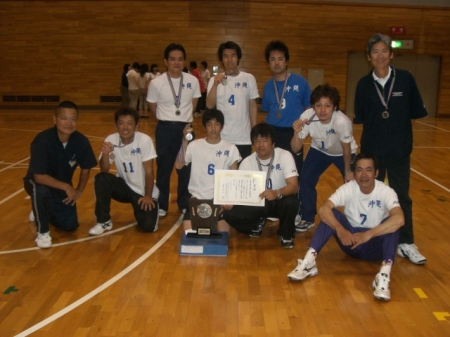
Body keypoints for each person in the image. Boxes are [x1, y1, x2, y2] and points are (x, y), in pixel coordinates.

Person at [288, 153, 404, 301]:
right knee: (331, 214)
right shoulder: (348, 188)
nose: (363, 175)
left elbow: (400, 218)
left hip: (374, 246)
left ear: (376, 173)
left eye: (368, 170)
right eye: (359, 170)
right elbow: (323, 209)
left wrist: (368, 234)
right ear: (353, 173)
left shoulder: (386, 192)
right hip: (350, 240)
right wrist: (339, 229)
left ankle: (383, 276)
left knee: (392, 223)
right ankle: (309, 262)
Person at [354, 33, 427, 265]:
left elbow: (414, 115)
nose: (380, 55)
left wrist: (399, 138)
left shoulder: (405, 79)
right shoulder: (364, 85)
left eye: (384, 51)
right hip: (372, 154)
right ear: (369, 57)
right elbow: (362, 117)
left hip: (399, 152)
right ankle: (374, 238)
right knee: (370, 197)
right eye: (375, 51)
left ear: (391, 54)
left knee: (401, 197)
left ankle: (406, 243)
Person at [23, 101, 97, 248]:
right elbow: (39, 177)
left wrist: (79, 190)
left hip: (61, 187)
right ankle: (43, 232)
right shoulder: (42, 140)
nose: (69, 123)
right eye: (64, 118)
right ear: (55, 119)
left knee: (70, 225)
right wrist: (66, 187)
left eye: (73, 119)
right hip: (38, 183)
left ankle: (41, 209)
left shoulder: (81, 141)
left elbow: (86, 168)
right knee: (41, 190)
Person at [291, 84, 357, 232]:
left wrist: (348, 171)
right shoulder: (307, 117)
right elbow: (295, 148)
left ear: (334, 107)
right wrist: (296, 132)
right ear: (313, 106)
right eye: (318, 105)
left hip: (343, 153)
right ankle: (307, 217)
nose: (322, 110)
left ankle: (355, 219)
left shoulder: (342, 121)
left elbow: (346, 149)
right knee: (306, 179)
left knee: (352, 183)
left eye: (327, 106)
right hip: (319, 150)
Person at [223, 123, 299, 248]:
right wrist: (230, 202)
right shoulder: (247, 162)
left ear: (273, 143)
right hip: (257, 203)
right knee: (228, 214)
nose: (261, 144)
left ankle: (286, 235)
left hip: (279, 200)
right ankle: (256, 224)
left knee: (291, 203)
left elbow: (294, 186)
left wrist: (277, 192)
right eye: (257, 141)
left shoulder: (285, 156)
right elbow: (238, 191)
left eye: (265, 140)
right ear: (253, 144)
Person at [147, 43, 201, 218]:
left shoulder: (192, 81)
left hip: (186, 128)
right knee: (164, 167)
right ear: (165, 61)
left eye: (180, 59)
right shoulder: (156, 83)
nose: (176, 63)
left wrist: (183, 121)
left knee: (186, 167)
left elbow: (193, 105)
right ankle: (162, 204)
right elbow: (153, 108)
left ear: (184, 61)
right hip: (165, 129)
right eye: (172, 59)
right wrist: (166, 122)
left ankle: (184, 203)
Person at [89, 107, 159, 235]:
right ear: (116, 125)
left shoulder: (144, 140)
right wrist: (105, 154)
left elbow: (149, 171)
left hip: (142, 191)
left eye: (129, 123)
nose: (125, 127)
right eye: (121, 123)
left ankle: (154, 199)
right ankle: (103, 221)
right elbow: (104, 170)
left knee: (148, 226)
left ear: (136, 125)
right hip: (124, 187)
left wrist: (148, 195)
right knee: (101, 178)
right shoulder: (111, 139)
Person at [175, 108, 241, 232]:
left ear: (222, 126)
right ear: (204, 127)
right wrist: (185, 141)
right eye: (209, 124)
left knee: (223, 236)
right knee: (189, 235)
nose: (213, 128)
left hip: (219, 202)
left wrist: (229, 201)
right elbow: (178, 165)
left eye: (217, 124)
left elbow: (234, 178)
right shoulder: (194, 145)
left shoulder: (231, 148)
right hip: (196, 200)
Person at [262, 40, 311, 193]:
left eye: (280, 59)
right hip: (272, 131)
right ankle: (271, 204)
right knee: (271, 168)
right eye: (272, 59)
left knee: (294, 170)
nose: (276, 63)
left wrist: (303, 131)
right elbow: (266, 109)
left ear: (287, 61)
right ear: (268, 62)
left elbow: (308, 107)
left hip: (292, 132)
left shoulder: (300, 81)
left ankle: (295, 208)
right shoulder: (268, 85)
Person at [206, 41, 259, 160]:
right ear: (221, 59)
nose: (229, 59)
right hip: (222, 137)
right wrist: (215, 85)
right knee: (222, 175)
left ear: (238, 57)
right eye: (225, 56)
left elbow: (252, 106)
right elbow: (209, 105)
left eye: (233, 55)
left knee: (241, 176)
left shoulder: (249, 78)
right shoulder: (214, 80)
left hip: (243, 138)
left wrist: (255, 131)